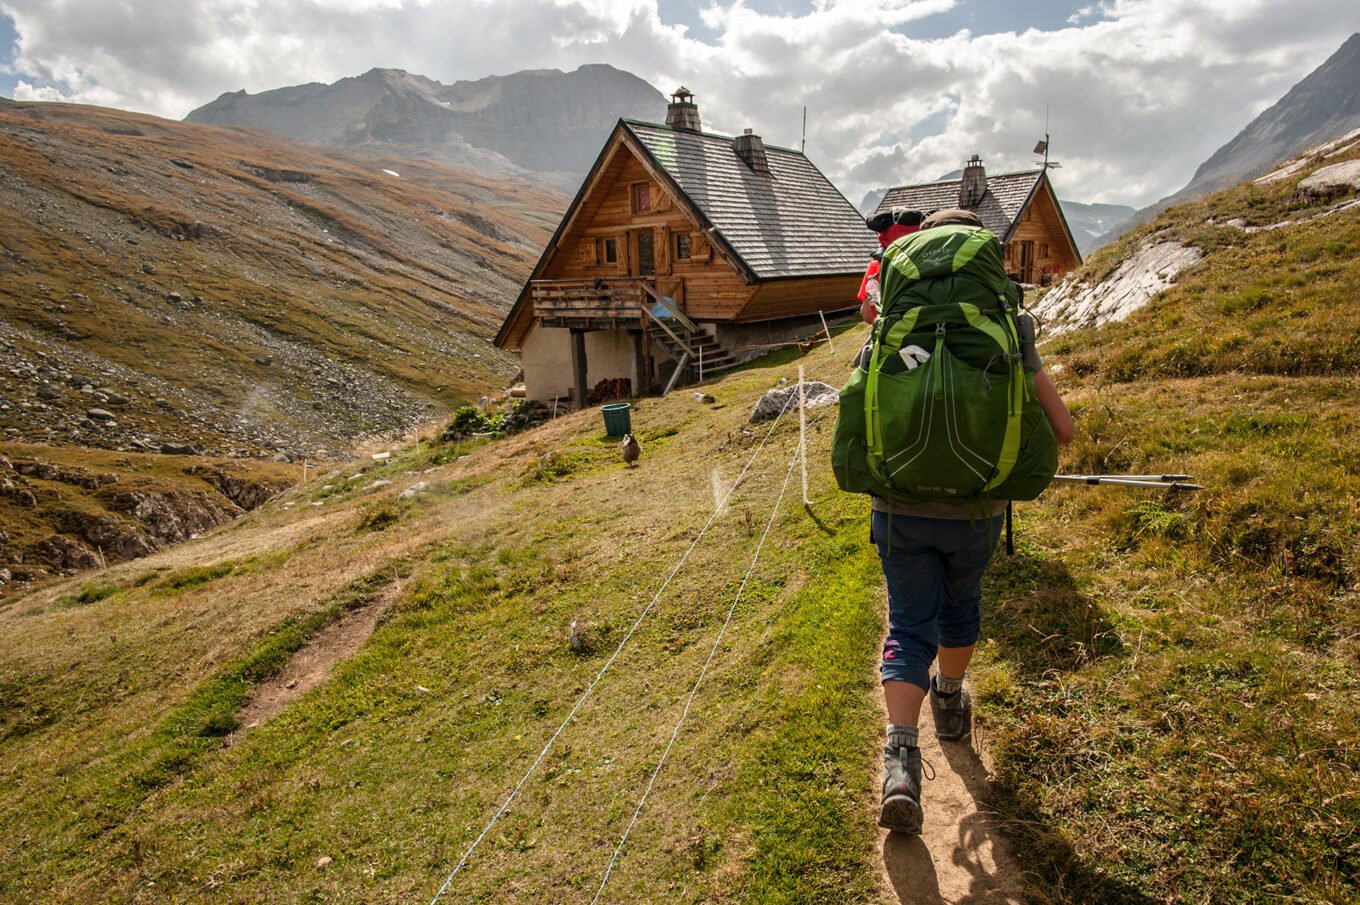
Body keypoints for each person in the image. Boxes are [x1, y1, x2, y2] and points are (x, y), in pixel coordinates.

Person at [866, 208, 1075, 835]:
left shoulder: (893, 321)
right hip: (977, 509)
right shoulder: (1012, 326)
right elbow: (1062, 428)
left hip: (899, 505)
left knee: (908, 623)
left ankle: (901, 760)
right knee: (960, 609)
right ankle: (950, 703)